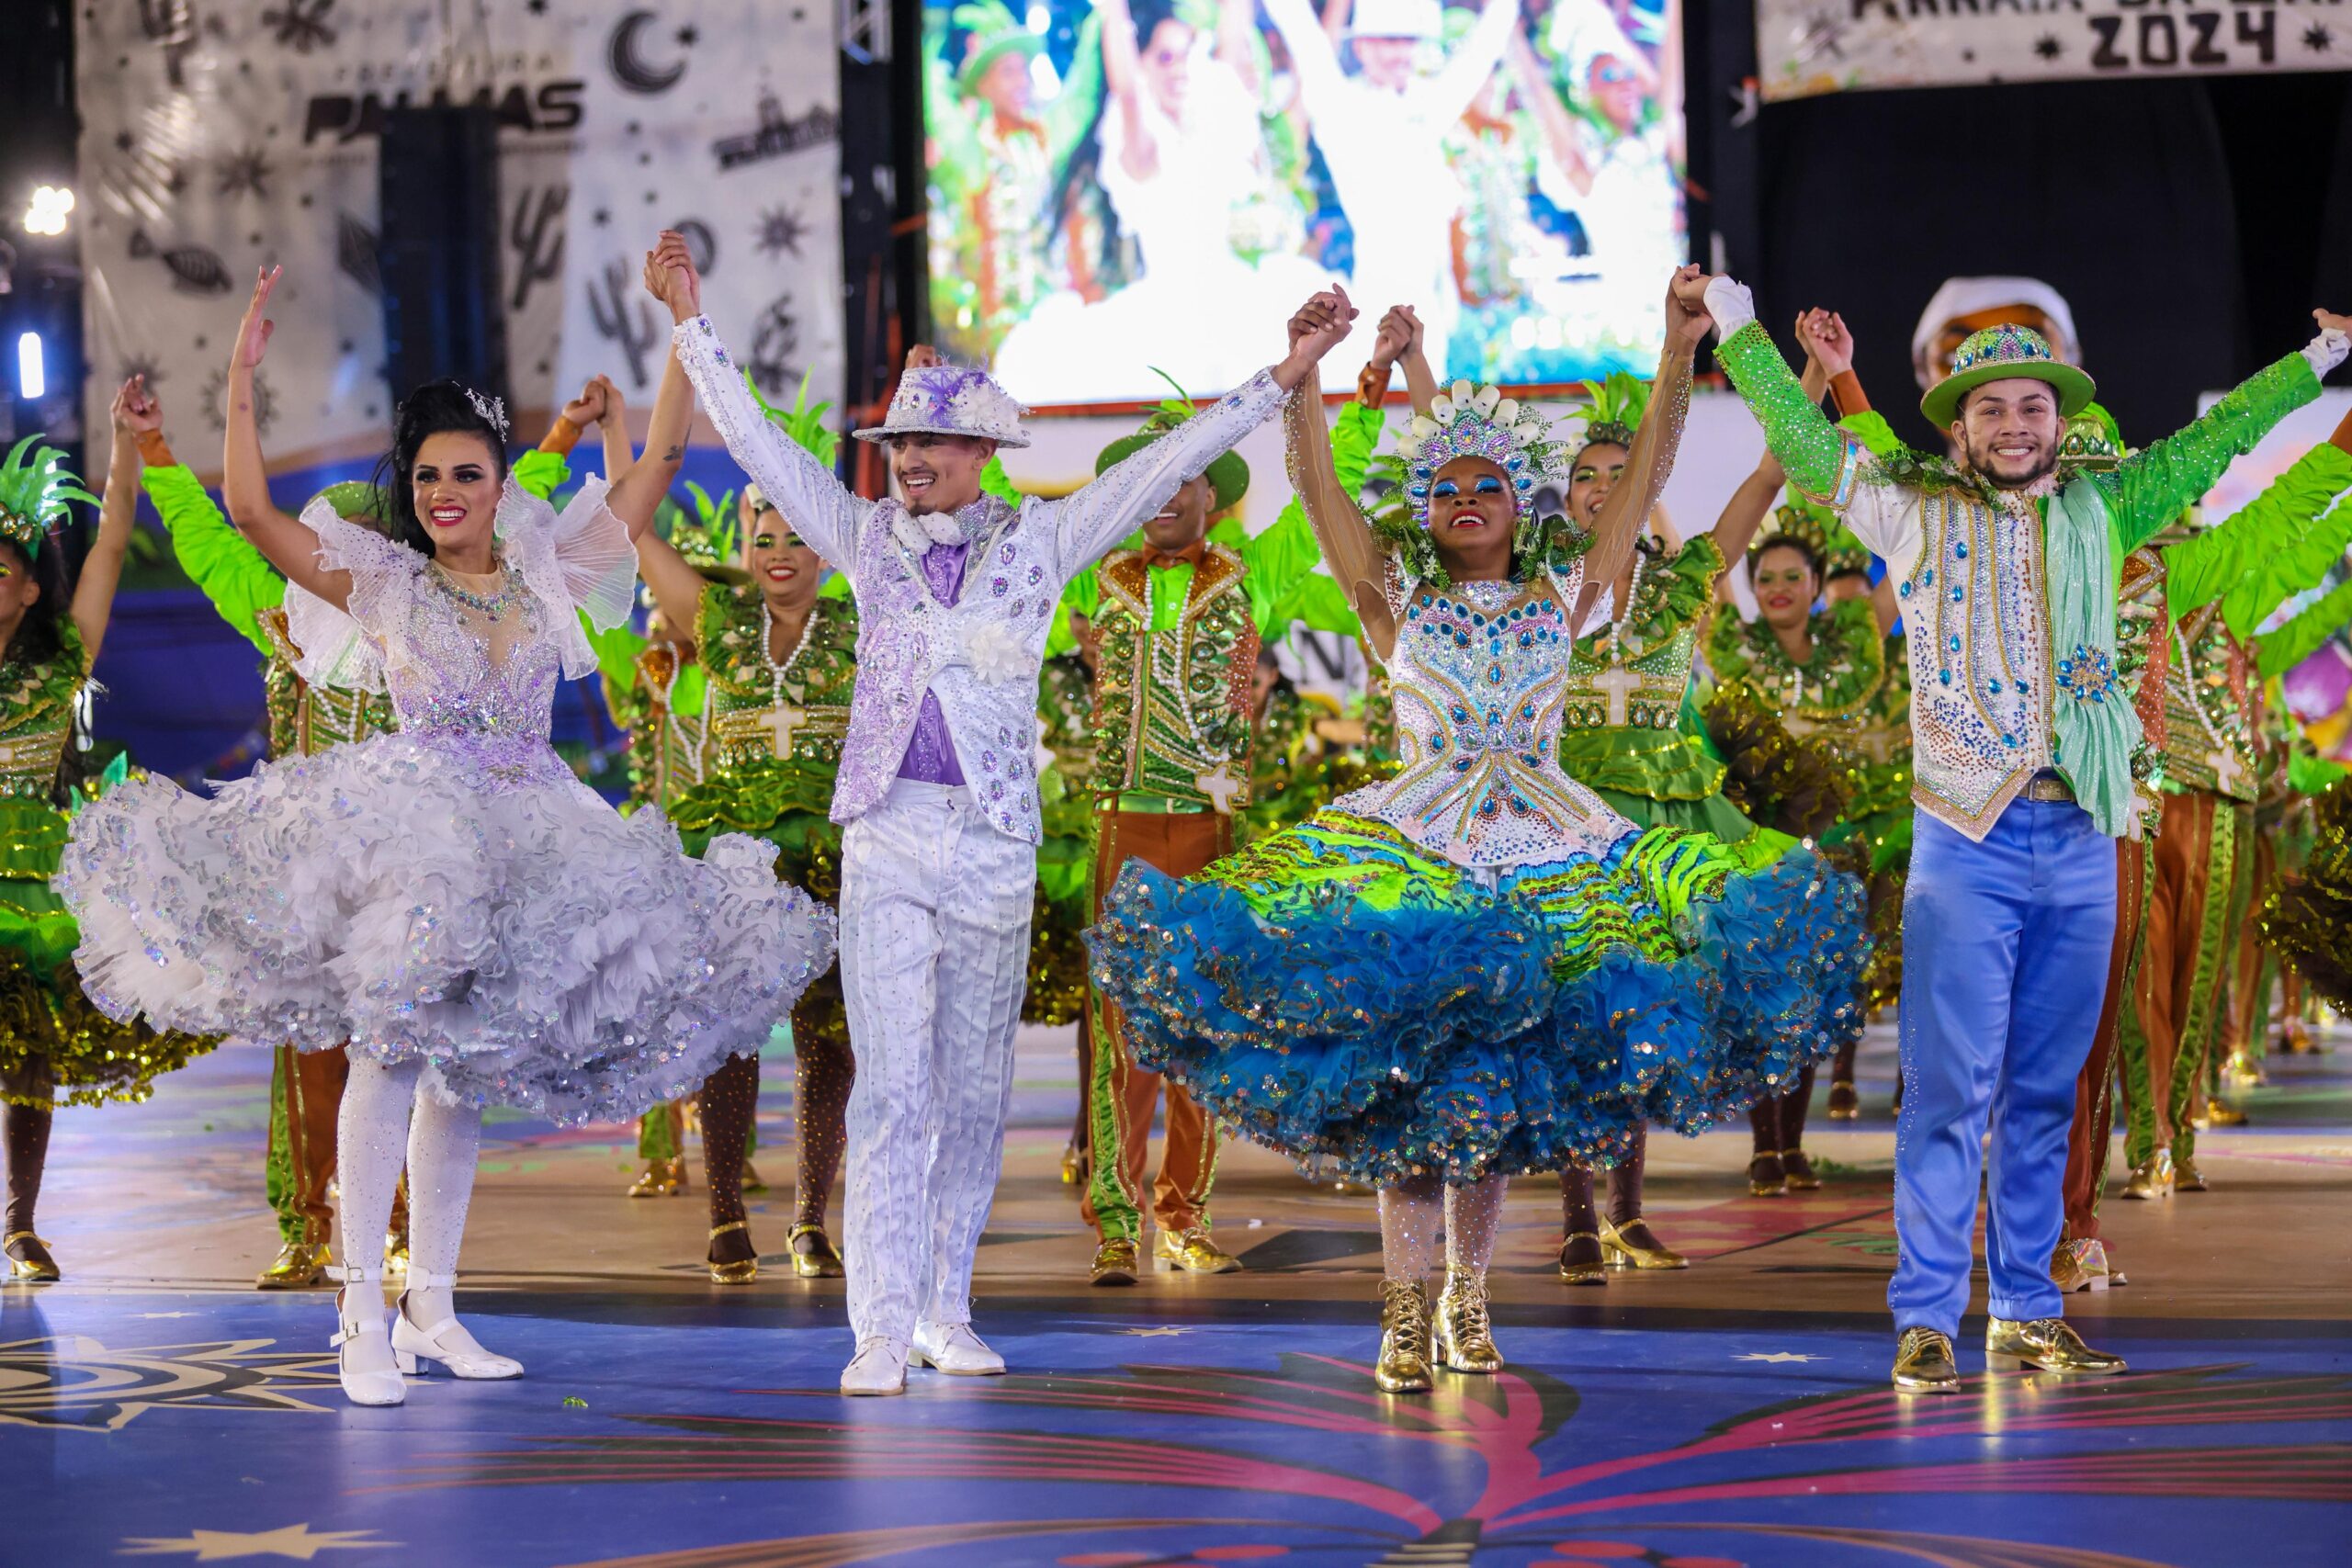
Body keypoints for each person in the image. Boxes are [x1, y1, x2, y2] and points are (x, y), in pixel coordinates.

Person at [59, 258, 836, 1409]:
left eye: (464, 474)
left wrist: (685, 325)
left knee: (463, 1074)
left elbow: (660, 465)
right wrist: (237, 382)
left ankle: (434, 1305)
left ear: (497, 480)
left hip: (527, 829)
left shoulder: (546, 571)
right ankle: (360, 1316)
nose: (442, 494)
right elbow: (255, 513)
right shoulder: (380, 582)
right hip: (417, 836)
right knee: (391, 1053)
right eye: (426, 477)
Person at [1089, 276, 1866, 1394]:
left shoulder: (1572, 593)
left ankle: (1467, 1297)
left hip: (1550, 849)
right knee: (1417, 1087)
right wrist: (1301, 376)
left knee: (1493, 1097)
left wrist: (1671, 346)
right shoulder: (1390, 595)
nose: (1464, 496)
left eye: (1487, 482)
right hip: (1417, 851)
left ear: (1523, 505)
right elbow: (1316, 495)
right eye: (1444, 484)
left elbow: (1643, 472)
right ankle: (1404, 1313)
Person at [665, 231, 1334, 1396]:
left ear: (980, 452)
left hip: (991, 843)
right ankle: (875, 1326)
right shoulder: (863, 533)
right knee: (893, 1083)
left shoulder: (1043, 541)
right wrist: (690, 322)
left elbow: (1166, 459)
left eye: (929, 442)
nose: (908, 458)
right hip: (886, 832)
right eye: (899, 441)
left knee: (975, 1085)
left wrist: (1282, 376)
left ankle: (943, 1306)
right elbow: (762, 448)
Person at [1692, 265, 2348, 1391]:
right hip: (1964, 838)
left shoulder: (2113, 509)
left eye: (2033, 406)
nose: (2012, 423)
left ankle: (2029, 1311)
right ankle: (1927, 1316)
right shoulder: (1910, 509)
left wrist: (2317, 365)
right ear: (1956, 426)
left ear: (2060, 422)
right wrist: (1740, 330)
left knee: (2050, 1089)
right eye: (1988, 406)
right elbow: (1806, 446)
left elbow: (2226, 438)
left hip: (2084, 834)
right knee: (1949, 1089)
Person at [1546, 353, 1860, 1271]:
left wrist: (1808, 380)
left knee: (1640, 1012)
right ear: (1563, 500)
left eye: (1620, 475)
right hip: (1564, 821)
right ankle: (1574, 1214)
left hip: (1665, 829)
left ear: (1646, 490)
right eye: (1584, 479)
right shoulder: (1534, 589)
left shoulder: (1684, 580)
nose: (1601, 490)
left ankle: (1628, 1210)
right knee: (1573, 1013)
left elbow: (1767, 475)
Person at [1061, 367, 1362, 1286]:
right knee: (1121, 1032)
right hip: (1119, 827)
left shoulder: (1250, 576)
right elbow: (994, 517)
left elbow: (1321, 500)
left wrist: (1367, 388)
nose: (1163, 492)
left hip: (1209, 828)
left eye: (1180, 475)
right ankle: (1115, 1221)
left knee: (1200, 1026)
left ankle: (1181, 1217)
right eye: (1148, 475)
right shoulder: (1086, 575)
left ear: (1210, 495)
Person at [640, 381, 863, 1287]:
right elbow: (632, 528)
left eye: (798, 534)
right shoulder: (715, 620)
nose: (779, 554)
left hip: (840, 860)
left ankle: (811, 1219)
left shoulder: (861, 624)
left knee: (828, 1043)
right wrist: (670, 387)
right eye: (761, 537)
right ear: (741, 547)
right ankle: (726, 1211)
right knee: (729, 1038)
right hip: (737, 870)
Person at [0, 390, 216, 1284]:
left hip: (33, 890)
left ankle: (19, 1224)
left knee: (29, 1048)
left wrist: (127, 447)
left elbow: (115, 543)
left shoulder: (58, 665)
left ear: (27, 583)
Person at [1706, 508, 1903, 1184]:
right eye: (1765, 578)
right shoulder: (1735, 647)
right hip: (1761, 854)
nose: (1779, 587)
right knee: (1764, 1002)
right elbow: (1697, 567)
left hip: (1839, 856)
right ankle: (1766, 1147)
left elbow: (1911, 564)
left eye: (1795, 576)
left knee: (1817, 1004)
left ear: (1819, 583)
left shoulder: (1853, 652)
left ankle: (1792, 1144)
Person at [1263, 0, 1522, 377]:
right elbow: (1303, 34)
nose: (1399, 52)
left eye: (1406, 40)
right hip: (1381, 294)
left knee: (1430, 419)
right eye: (1387, 40)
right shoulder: (1342, 106)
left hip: (1434, 297)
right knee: (1391, 414)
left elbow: (1482, 49)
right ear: (1361, 46)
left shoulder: (1426, 102)